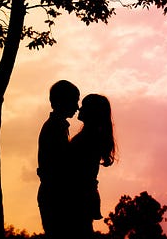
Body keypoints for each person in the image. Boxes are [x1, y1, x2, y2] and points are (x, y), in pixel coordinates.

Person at [68, 94, 117, 239]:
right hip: (85, 195)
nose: (80, 108)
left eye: (84, 106)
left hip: (80, 195)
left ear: (92, 111)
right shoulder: (92, 135)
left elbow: (76, 170)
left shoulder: (88, 138)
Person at [37, 80, 80, 239]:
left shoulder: (56, 126)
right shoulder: (55, 128)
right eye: (75, 101)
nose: (77, 107)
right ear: (63, 101)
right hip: (55, 197)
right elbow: (60, 166)